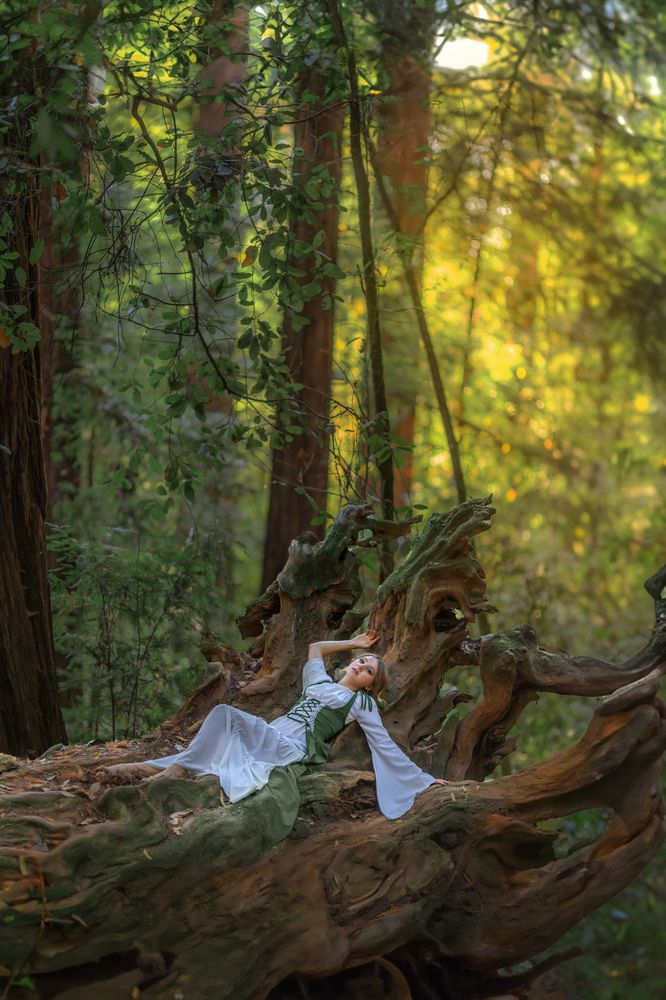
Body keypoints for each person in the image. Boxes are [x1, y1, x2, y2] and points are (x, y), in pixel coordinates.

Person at [99, 630, 446, 820]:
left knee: (225, 715)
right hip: (274, 732)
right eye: (362, 661)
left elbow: (383, 744)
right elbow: (314, 647)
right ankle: (146, 769)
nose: (362, 666)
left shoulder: (361, 703)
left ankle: (174, 771)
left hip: (290, 748)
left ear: (371, 685)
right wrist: (354, 642)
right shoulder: (318, 681)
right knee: (219, 733)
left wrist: (424, 780)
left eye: (369, 670)